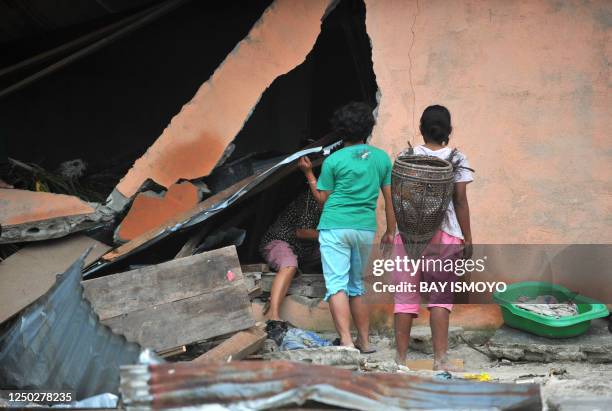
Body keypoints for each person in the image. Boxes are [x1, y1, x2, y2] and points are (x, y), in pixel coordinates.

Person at [298, 101, 396, 353]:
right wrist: (390, 231)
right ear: (368, 127)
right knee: (357, 286)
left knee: (337, 285)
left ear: (341, 130)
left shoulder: (333, 161)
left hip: (335, 226)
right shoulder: (382, 158)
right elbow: (389, 199)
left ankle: (347, 342)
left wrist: (309, 174)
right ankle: (364, 342)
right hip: (363, 228)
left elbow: (322, 200)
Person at [393, 104, 473, 370]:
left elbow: (398, 196)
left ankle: (400, 360)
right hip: (444, 236)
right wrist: (467, 238)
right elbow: (460, 200)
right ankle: (440, 361)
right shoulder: (457, 158)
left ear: (421, 129)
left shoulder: (407, 156)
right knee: (440, 299)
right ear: (448, 130)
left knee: (405, 299)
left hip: (408, 236)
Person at [260, 190, 322, 328]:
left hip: (306, 250)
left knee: (337, 253)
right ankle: (273, 316)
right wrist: (335, 236)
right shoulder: (310, 199)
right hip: (281, 241)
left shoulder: (340, 201)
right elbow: (302, 232)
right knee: (289, 265)